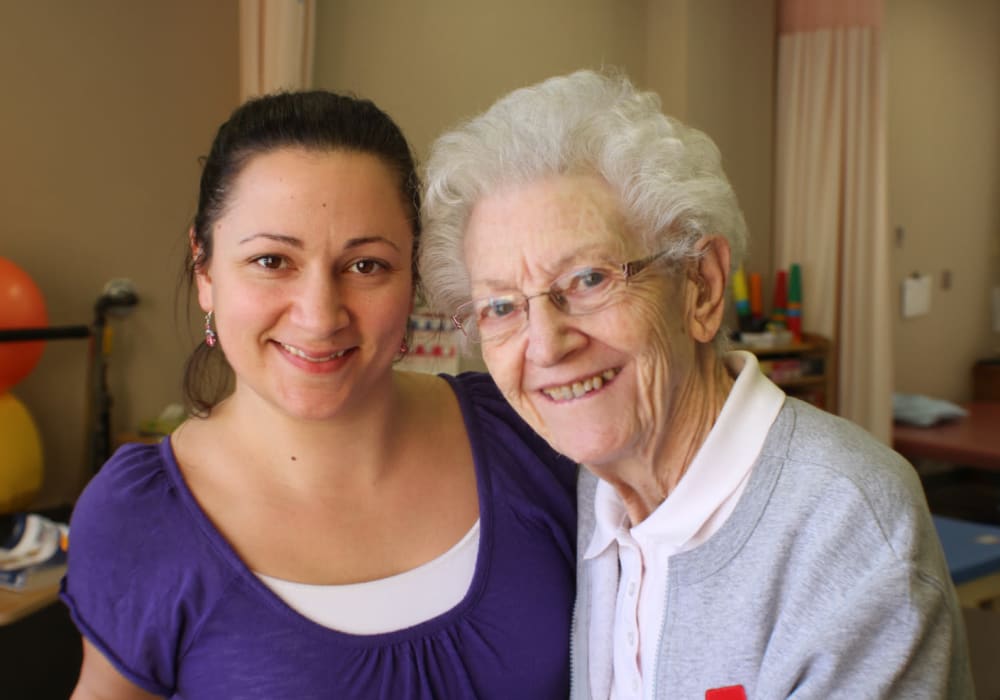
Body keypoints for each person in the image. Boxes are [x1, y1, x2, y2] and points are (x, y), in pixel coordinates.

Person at [419, 69, 974, 699]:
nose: (545, 344)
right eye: (500, 307)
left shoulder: (844, 520)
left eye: (590, 280)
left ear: (702, 287)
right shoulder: (593, 495)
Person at [60, 90, 577, 699]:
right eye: (272, 260)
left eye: (366, 267)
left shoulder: (531, 432)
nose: (318, 316)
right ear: (205, 272)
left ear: (413, 277)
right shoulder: (139, 517)